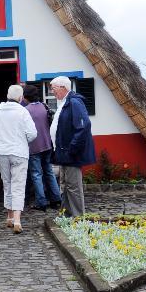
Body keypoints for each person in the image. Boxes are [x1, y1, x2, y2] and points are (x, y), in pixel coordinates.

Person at [0, 85, 37, 233]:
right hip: (19, 151)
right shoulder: (23, 111)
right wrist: (22, 139)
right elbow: (32, 134)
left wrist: (0, 138)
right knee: (18, 186)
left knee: (7, 183)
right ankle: (17, 221)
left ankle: (9, 217)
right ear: (21, 98)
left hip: (1, 151)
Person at [49, 76, 96, 217]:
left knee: (73, 186)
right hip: (63, 153)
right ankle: (66, 215)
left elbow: (84, 126)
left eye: (53, 88)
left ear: (63, 87)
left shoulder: (74, 102)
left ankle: (77, 218)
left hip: (70, 153)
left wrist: (72, 149)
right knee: (65, 185)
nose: (52, 92)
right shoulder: (64, 102)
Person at [23, 84, 62, 212]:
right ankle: (56, 199)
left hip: (33, 146)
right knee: (48, 171)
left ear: (25, 97)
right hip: (47, 144)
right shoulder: (44, 106)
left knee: (36, 174)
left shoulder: (25, 110)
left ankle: (41, 201)